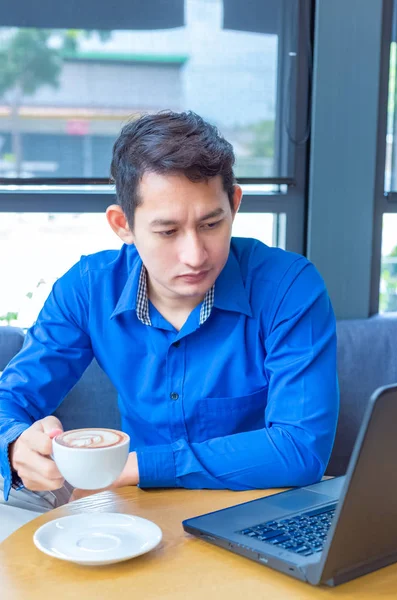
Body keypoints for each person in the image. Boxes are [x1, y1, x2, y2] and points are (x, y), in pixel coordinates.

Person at [0, 110, 339, 530]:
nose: (195, 255)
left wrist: (136, 467)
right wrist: (14, 445)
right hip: (137, 520)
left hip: (260, 514)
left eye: (211, 223)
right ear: (123, 224)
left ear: (234, 204)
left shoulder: (289, 287)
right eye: (167, 232)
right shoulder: (88, 288)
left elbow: (300, 448)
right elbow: (9, 400)